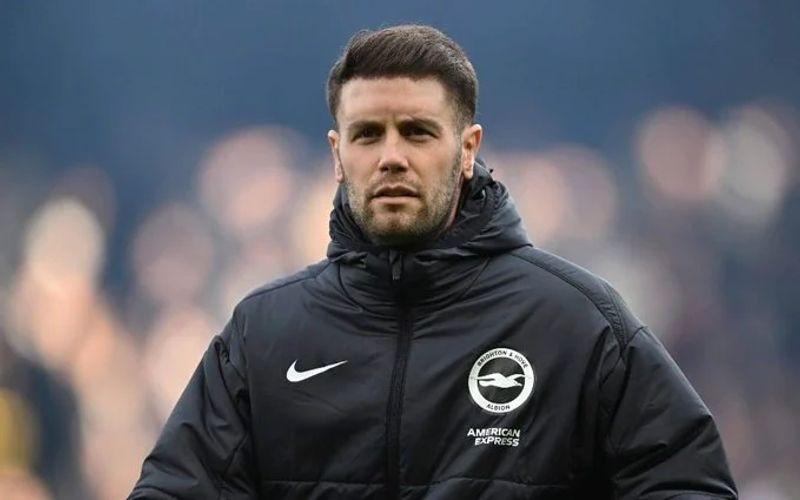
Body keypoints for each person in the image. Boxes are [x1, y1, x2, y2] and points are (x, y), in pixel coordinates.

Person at [130, 25, 737, 499]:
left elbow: (686, 485)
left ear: (468, 149)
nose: (391, 156)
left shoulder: (577, 324)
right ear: (337, 155)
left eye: (417, 132)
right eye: (368, 134)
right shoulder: (264, 332)